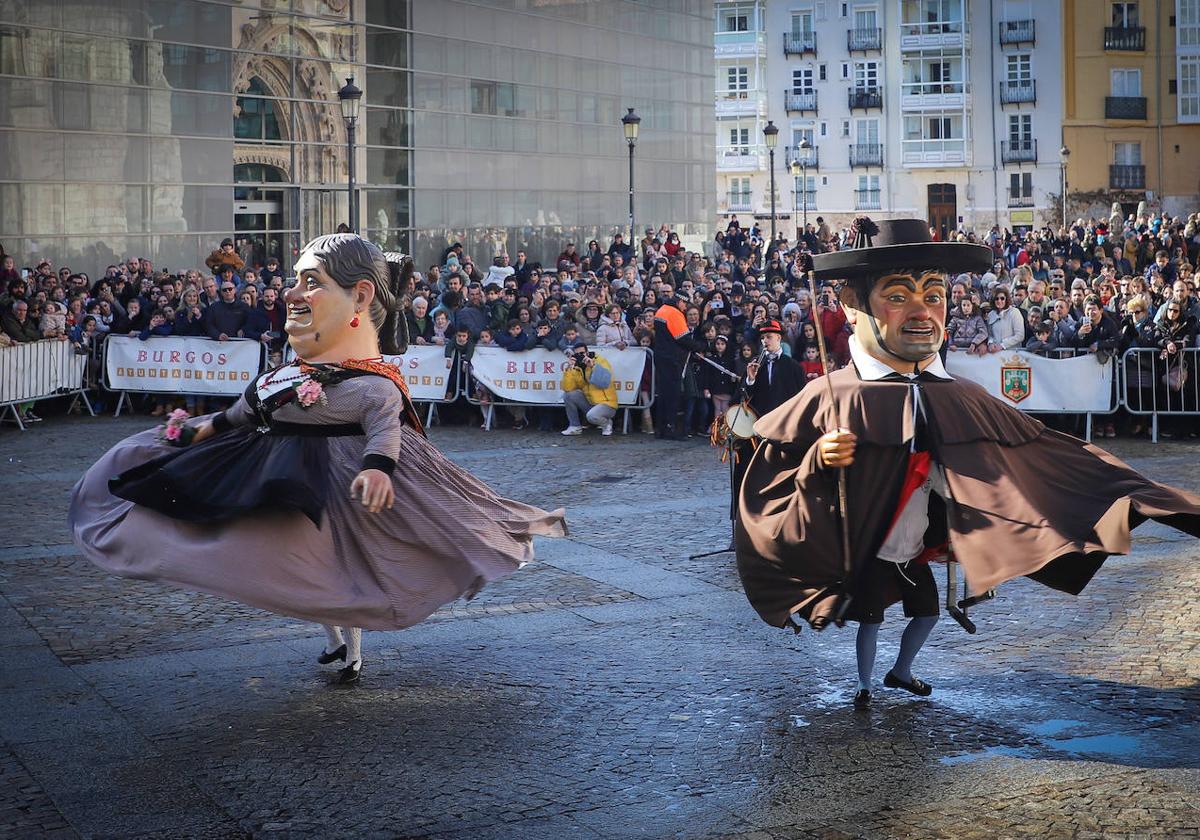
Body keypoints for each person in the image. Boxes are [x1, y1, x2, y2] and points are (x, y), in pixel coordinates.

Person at [735, 217, 1200, 710]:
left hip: (914, 548)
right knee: (871, 619)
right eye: (897, 296)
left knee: (927, 611)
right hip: (868, 552)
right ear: (853, 306)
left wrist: (1139, 496)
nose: (921, 313)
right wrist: (817, 462)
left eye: (933, 295)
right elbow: (767, 497)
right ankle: (866, 684)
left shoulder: (966, 397)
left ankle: (901, 671)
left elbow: (1041, 454)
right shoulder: (826, 397)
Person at [70, 234, 566, 685]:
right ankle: (337, 643)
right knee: (302, 566)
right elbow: (241, 414)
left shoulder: (373, 382)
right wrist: (194, 430)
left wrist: (378, 468)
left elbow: (384, 429)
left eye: (311, 283)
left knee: (339, 567)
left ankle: (349, 648)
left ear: (361, 298)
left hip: (338, 481)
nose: (291, 294)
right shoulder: (288, 373)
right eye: (295, 282)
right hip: (281, 475)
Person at [560, 341, 617, 437]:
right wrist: (569, 369)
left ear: (587, 352)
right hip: (591, 402)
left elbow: (603, 383)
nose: (580, 356)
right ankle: (575, 426)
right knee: (568, 395)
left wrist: (593, 366)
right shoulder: (577, 367)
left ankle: (606, 423)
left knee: (592, 416)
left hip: (607, 404)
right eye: (577, 354)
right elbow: (568, 388)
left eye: (582, 353)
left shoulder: (600, 361)